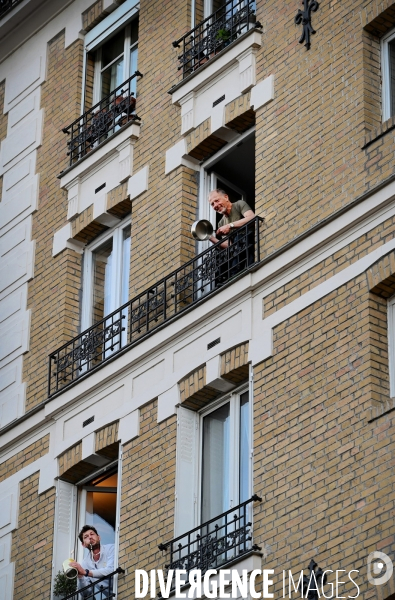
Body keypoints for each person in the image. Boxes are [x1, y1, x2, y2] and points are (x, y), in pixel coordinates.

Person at [207, 189, 256, 279]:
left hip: (249, 243)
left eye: (217, 201)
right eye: (212, 204)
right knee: (223, 253)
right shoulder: (221, 223)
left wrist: (230, 226)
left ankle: (235, 274)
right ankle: (225, 277)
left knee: (239, 237)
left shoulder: (239, 204)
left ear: (226, 197)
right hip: (238, 250)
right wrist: (210, 237)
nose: (215, 205)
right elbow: (229, 245)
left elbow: (252, 217)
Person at [70, 525, 115, 598]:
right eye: (86, 537)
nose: (90, 537)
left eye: (92, 534)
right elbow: (86, 593)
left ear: (99, 537)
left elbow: (111, 570)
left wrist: (86, 572)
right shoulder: (85, 563)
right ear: (83, 544)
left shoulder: (111, 548)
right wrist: (80, 576)